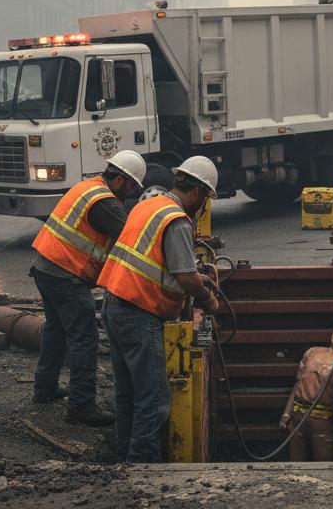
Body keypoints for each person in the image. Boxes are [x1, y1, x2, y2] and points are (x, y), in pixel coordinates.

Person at [95, 155, 221, 463]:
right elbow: (185, 277)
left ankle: (125, 457)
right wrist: (207, 297)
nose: (202, 205)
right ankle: (143, 468)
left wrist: (195, 275)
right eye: (205, 198)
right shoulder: (176, 220)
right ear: (198, 193)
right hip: (138, 313)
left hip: (114, 305)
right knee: (153, 399)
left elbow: (155, 259)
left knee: (128, 392)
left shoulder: (148, 205)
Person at [29, 150, 148, 426]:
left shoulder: (88, 187)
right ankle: (81, 406)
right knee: (84, 337)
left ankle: (44, 388)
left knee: (56, 330)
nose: (132, 193)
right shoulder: (107, 204)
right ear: (120, 180)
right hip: (64, 274)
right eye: (132, 187)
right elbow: (131, 243)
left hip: (44, 265)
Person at [278, 317, 333, 461]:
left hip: (321, 423)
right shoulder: (312, 352)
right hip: (297, 418)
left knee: (324, 464)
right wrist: (286, 413)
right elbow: (298, 385)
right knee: (295, 463)